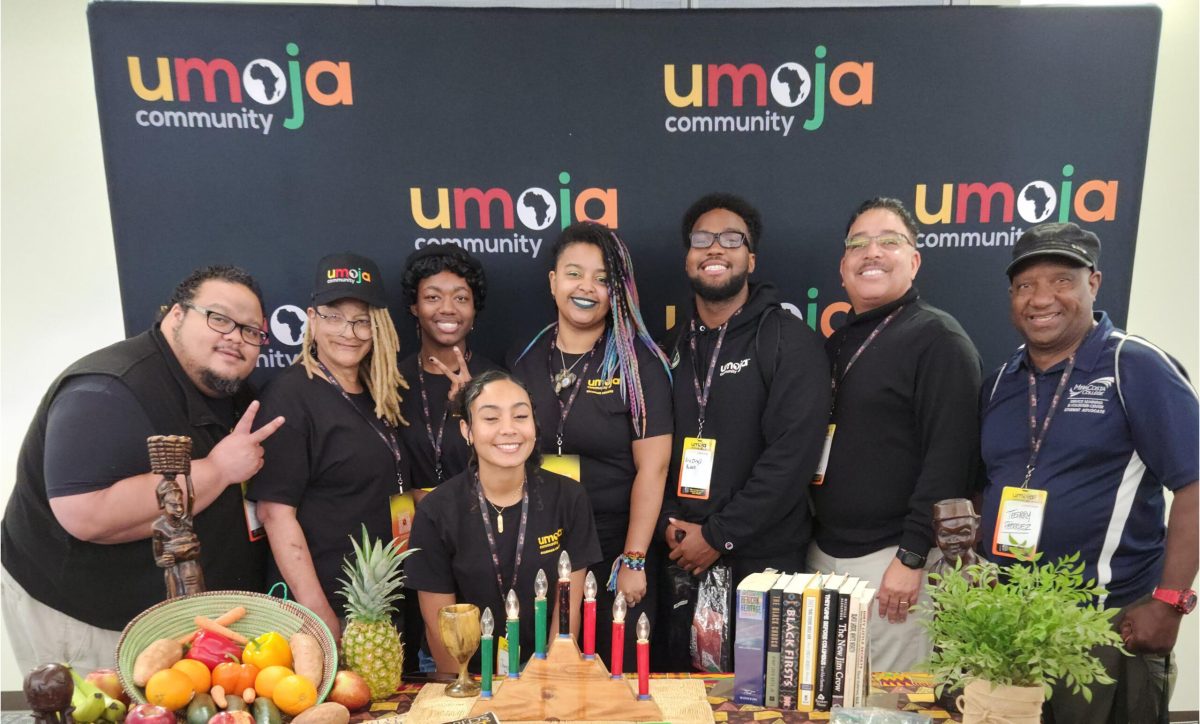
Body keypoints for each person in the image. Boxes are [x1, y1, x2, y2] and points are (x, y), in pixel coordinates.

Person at [1, 265, 282, 673]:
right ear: (175, 315)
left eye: (250, 331)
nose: (235, 337)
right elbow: (86, 514)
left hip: (178, 624)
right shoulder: (106, 389)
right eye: (219, 318)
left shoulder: (230, 390)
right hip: (86, 617)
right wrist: (218, 470)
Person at [979, 222, 1198, 722]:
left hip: (1105, 624)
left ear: (1093, 284)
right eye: (1025, 286)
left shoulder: (1135, 365)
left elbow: (1193, 485)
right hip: (1012, 625)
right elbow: (984, 487)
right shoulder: (1000, 381)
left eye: (1061, 280)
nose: (1041, 298)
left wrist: (1169, 602)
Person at [657, 192, 830, 671]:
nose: (715, 248)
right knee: (683, 699)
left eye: (732, 239)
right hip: (679, 558)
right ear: (687, 255)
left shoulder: (789, 341)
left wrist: (718, 534)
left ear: (750, 258)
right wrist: (670, 524)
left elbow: (791, 457)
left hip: (763, 565)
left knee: (760, 700)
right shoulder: (670, 345)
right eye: (702, 239)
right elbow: (651, 448)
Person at [808, 197, 982, 672]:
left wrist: (910, 557)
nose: (872, 253)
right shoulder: (837, 342)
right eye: (859, 244)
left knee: (890, 710)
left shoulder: (938, 340)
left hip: (895, 563)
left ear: (914, 260)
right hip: (823, 555)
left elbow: (950, 462)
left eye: (889, 241)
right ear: (843, 266)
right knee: (824, 704)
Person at [509, 221, 673, 673]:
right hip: (541, 543)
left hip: (612, 547)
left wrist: (634, 558)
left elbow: (653, 470)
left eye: (603, 279)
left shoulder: (639, 365)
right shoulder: (526, 358)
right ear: (552, 281)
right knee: (541, 674)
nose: (587, 287)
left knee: (609, 678)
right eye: (574, 273)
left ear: (617, 290)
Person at [249, 252, 411, 640]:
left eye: (361, 321)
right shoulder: (290, 395)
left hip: (376, 603)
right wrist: (319, 616)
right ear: (311, 319)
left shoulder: (380, 393)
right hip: (325, 608)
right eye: (333, 316)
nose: (348, 332)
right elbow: (275, 513)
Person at [406, 370, 603, 673]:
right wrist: (466, 695)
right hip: (460, 668)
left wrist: (547, 679)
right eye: (491, 418)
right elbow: (439, 627)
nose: (509, 429)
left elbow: (567, 614)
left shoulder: (569, 497)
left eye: (520, 416)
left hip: (540, 663)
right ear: (466, 430)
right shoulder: (437, 511)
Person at [398, 245, 501, 495]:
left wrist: (470, 408)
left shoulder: (497, 381)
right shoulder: (392, 382)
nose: (447, 308)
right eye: (433, 297)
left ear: (474, 310)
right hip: (410, 526)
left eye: (461, 298)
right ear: (415, 306)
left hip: (480, 521)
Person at [927, 498, 981, 584]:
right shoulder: (935, 573)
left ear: (976, 523)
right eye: (945, 535)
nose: (953, 541)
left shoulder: (987, 571)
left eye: (963, 533)